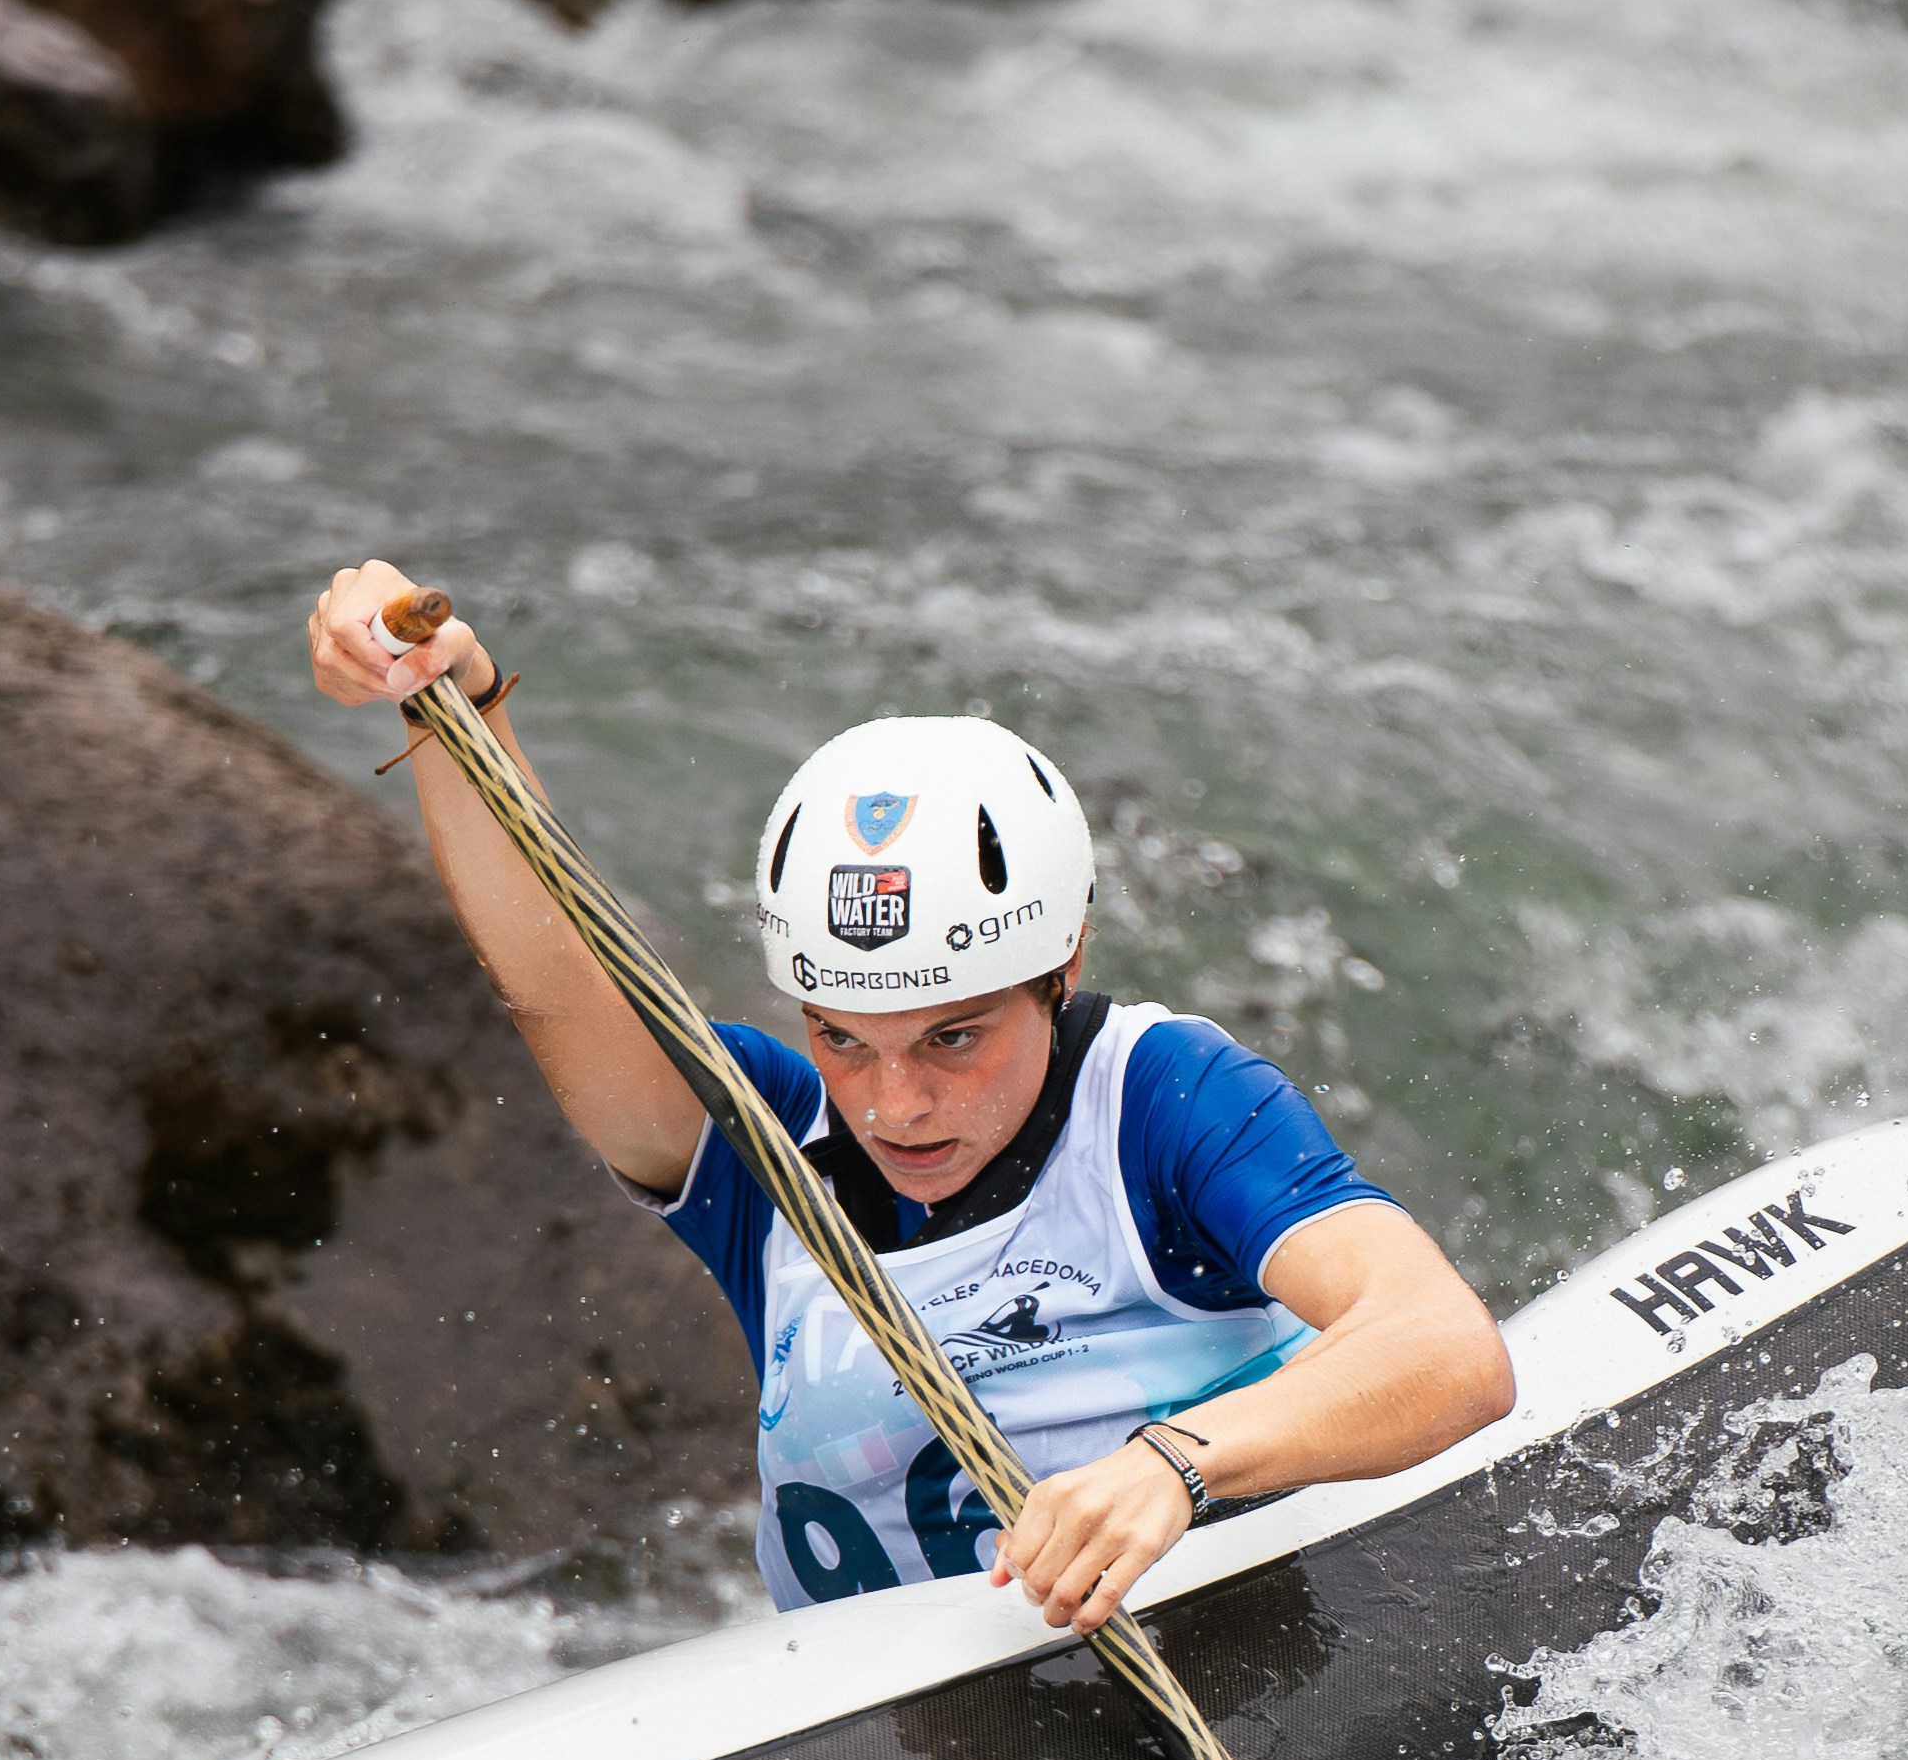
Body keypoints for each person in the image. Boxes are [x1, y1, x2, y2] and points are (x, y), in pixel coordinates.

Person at [307, 564, 1517, 1636]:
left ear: (1062, 969)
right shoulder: (771, 1152)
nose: (895, 1106)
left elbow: (1443, 1344)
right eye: (842, 1038)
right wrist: (448, 702)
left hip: (1221, 1662)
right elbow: (562, 982)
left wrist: (1174, 1466)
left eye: (953, 1037)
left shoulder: (1157, 1099)